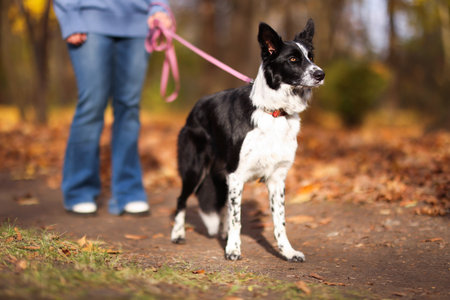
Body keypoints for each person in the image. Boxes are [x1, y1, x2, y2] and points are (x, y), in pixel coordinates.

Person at [53, 0, 172, 215]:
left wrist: (159, 8)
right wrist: (69, 15)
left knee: (129, 107)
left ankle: (128, 190)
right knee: (92, 104)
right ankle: (79, 190)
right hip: (89, 18)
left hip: (138, 23)